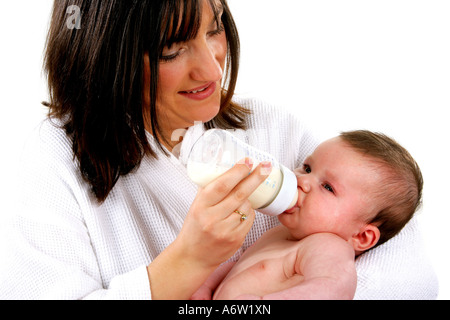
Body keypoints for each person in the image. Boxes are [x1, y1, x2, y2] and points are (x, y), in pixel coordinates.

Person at [0, 0, 437, 300]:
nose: (212, 68)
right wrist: (187, 261)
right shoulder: (56, 161)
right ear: (107, 56)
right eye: (172, 50)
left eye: (215, 28)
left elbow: (408, 265)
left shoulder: (270, 127)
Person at [191, 130, 423, 300]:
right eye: (307, 168)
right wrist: (206, 286)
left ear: (362, 237)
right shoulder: (278, 234)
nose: (302, 180)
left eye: (328, 187)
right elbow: (236, 266)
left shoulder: (329, 247)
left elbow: (331, 290)